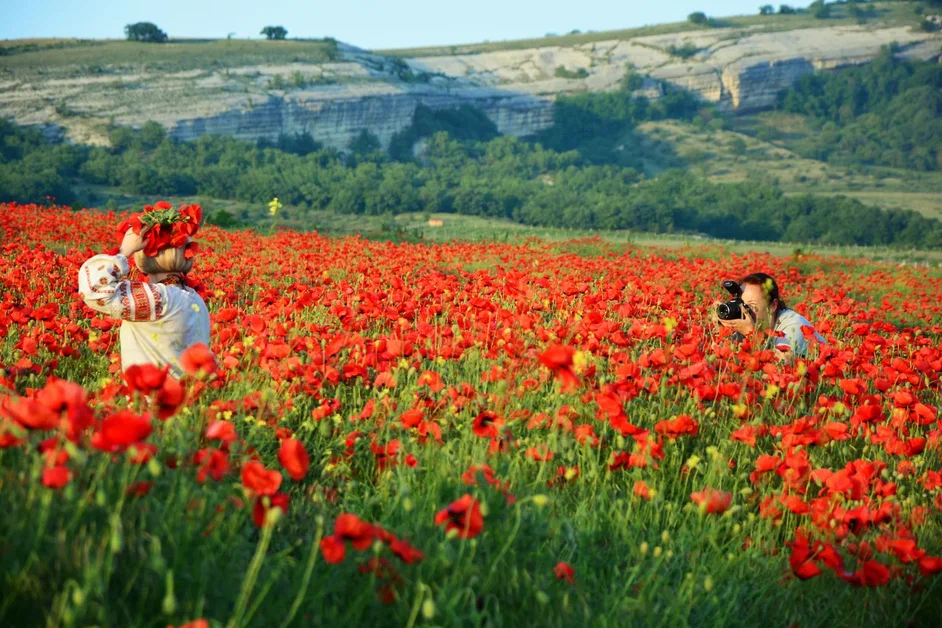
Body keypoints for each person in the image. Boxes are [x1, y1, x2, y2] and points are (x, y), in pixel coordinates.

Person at [78, 224, 210, 378]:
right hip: (187, 390)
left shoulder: (160, 298)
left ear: (146, 253)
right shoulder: (195, 298)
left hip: (152, 391)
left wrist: (124, 251)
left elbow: (93, 290)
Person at [713, 272, 825, 359]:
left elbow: (782, 366)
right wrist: (722, 332)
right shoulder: (747, 323)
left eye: (752, 305)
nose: (744, 310)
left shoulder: (795, 326)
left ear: (773, 305)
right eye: (741, 304)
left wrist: (752, 335)